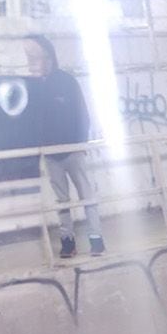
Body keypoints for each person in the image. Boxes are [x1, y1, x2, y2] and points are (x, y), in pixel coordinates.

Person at [27, 36, 103, 257]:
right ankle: (68, 242)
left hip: (73, 151)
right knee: (62, 201)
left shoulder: (67, 82)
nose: (37, 63)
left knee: (86, 195)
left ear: (50, 59)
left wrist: (80, 144)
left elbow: (82, 114)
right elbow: (34, 121)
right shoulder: (34, 88)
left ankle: (96, 239)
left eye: (41, 58)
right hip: (52, 155)